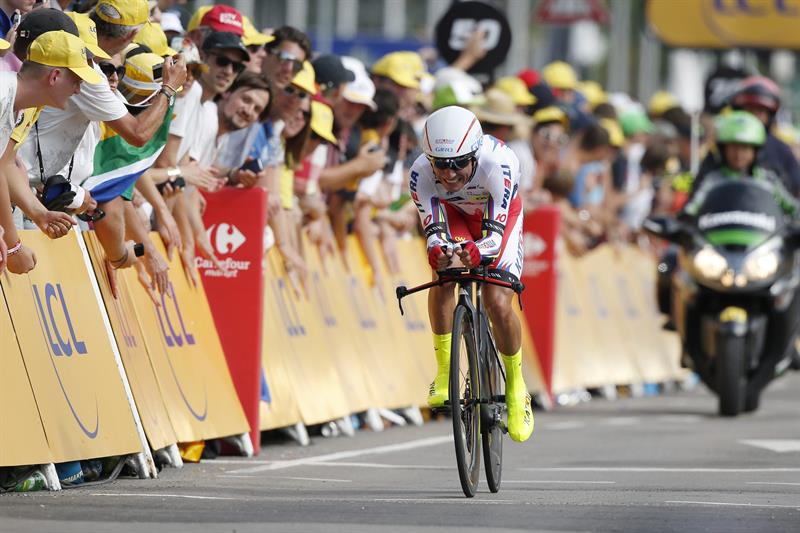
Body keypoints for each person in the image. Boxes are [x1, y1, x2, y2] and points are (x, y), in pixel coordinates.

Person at [408, 106, 534, 443]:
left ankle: (516, 386)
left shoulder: (502, 163)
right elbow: (434, 229)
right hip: (457, 217)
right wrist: (439, 250)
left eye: (458, 164)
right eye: (440, 164)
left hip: (497, 220)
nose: (449, 175)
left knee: (497, 299)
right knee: (444, 274)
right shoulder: (419, 173)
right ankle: (444, 371)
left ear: (475, 155)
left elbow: (493, 237)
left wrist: (478, 252)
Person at [0, 30, 104, 274]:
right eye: (77, 81)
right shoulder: (3, 94)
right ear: (55, 76)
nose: (78, 90)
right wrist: (13, 246)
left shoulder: (17, 102)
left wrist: (39, 213)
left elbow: (4, 166)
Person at [684, 111, 799, 217]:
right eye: (733, 147)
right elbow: (692, 208)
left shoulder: (768, 180)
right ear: (723, 150)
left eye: (745, 148)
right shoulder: (712, 181)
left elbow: (792, 207)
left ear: (755, 151)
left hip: (762, 238)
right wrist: (683, 220)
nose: (739, 154)